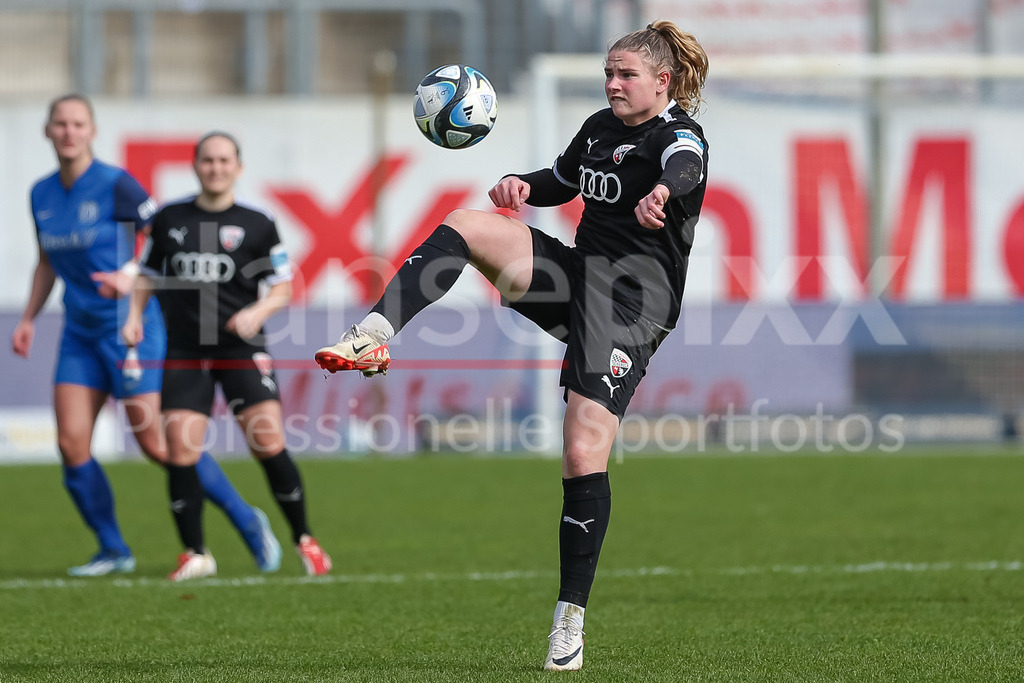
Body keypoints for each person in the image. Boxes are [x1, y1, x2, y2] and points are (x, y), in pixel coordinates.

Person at [315, 21, 709, 671]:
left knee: (581, 450)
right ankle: (370, 336)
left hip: (633, 308)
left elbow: (685, 167)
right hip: (581, 279)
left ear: (662, 82)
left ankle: (570, 618)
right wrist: (521, 185)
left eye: (626, 75)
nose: (612, 83)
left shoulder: (678, 136)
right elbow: (561, 181)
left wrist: (666, 191)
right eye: (608, 72)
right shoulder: (598, 127)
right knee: (470, 224)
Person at [12, 94, 282, 577]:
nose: (69, 132)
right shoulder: (41, 194)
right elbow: (46, 260)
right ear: (48, 131)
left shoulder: (115, 185)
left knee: (160, 446)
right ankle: (113, 549)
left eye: (78, 124)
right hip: (79, 333)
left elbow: (168, 235)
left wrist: (128, 272)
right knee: (72, 445)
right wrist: (30, 317)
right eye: (61, 124)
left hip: (131, 330)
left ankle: (246, 519)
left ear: (92, 131)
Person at [124, 131, 332, 581]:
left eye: (224, 160)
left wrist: (256, 311)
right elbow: (145, 275)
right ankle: (195, 553)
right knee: (180, 448)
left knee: (267, 442)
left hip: (241, 349)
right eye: (207, 160)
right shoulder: (168, 219)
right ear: (196, 166)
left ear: (238, 167)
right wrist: (134, 317)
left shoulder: (258, 224)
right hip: (185, 350)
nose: (216, 167)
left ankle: (305, 540)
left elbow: (282, 287)